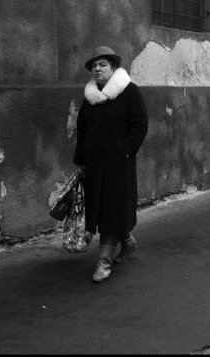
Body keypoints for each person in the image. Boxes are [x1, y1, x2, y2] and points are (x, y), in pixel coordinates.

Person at [73, 46, 149, 282]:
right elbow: (82, 131)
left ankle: (103, 262)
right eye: (94, 66)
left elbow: (140, 124)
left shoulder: (129, 92)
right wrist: (80, 159)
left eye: (102, 64)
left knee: (113, 210)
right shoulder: (90, 100)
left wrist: (126, 152)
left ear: (113, 68)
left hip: (119, 166)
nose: (97, 69)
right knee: (106, 211)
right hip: (95, 166)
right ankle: (126, 242)